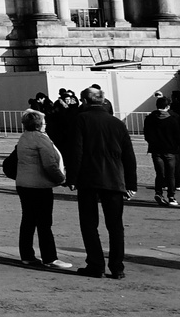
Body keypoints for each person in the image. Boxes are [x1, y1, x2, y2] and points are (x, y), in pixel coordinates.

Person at [62, 85, 137, 279]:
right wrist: (131, 184)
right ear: (103, 101)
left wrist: (72, 178)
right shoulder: (117, 123)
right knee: (115, 226)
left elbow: (76, 151)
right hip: (114, 178)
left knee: (89, 224)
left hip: (89, 178)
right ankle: (117, 266)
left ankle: (96, 264)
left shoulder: (81, 119)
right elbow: (129, 156)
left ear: (85, 101)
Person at [12, 109, 73, 269]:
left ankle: (27, 255)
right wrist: (62, 179)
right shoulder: (41, 139)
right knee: (44, 223)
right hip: (39, 185)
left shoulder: (24, 137)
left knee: (28, 221)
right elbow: (50, 164)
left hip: (24, 184)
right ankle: (50, 257)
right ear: (40, 124)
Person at [141, 94, 180, 205]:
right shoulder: (172, 119)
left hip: (155, 149)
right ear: (167, 106)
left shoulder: (150, 118)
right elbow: (177, 135)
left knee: (159, 173)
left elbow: (147, 135)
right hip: (170, 150)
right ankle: (171, 196)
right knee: (170, 174)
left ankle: (159, 192)